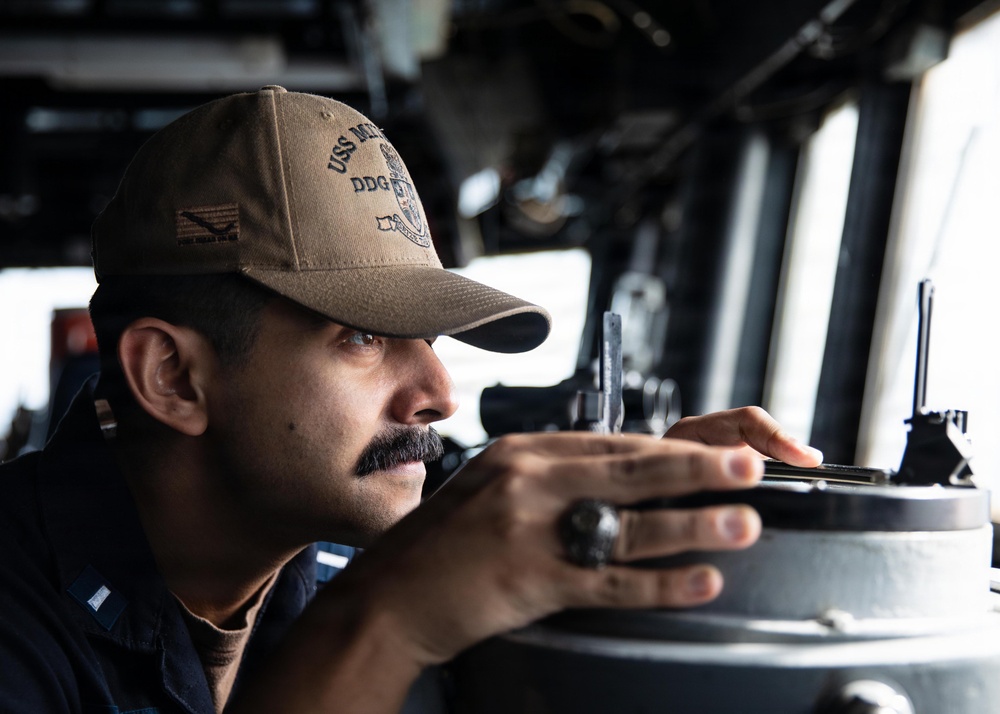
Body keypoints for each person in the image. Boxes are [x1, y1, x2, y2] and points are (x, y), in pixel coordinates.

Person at [0, 86, 823, 714]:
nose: (435, 394)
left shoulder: (344, 530)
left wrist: (629, 521)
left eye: (431, 340)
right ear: (173, 378)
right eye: (361, 337)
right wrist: (384, 621)